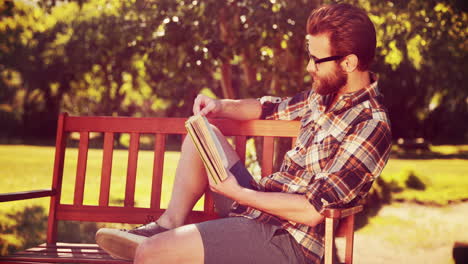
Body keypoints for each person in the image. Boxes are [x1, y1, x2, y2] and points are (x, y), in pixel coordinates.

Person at [95, 3, 392, 264]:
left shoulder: (370, 125)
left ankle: (161, 247)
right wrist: (220, 105)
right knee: (202, 136)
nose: (309, 66)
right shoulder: (325, 96)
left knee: (150, 254)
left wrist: (238, 193)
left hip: (289, 241)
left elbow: (312, 211)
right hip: (260, 207)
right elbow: (268, 108)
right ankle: (169, 223)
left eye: (317, 60)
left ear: (349, 63)